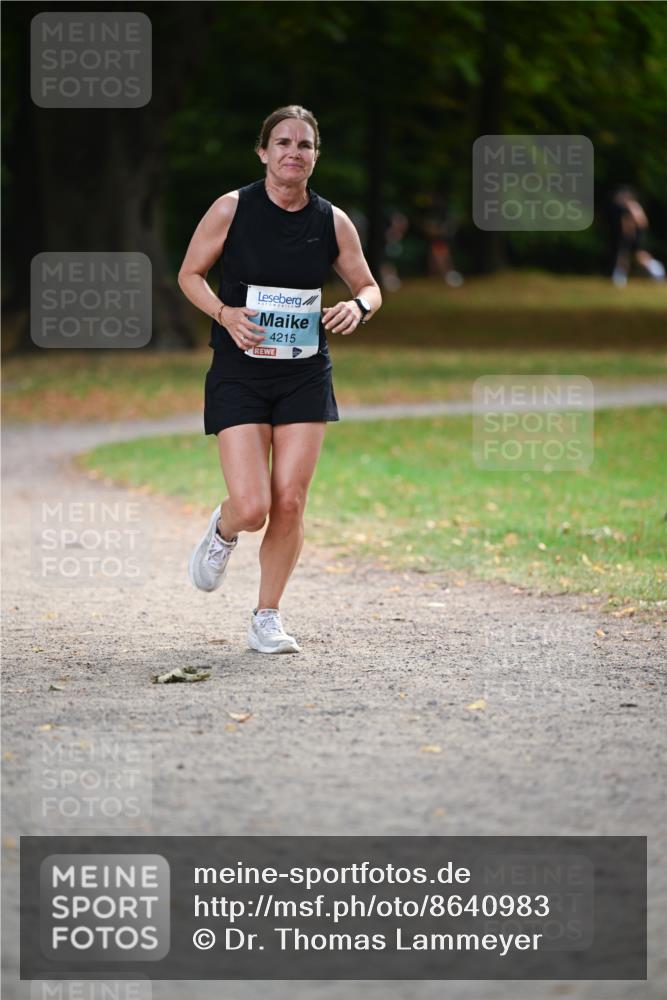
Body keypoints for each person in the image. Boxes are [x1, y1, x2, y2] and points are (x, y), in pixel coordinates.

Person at [177, 105, 382, 654]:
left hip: (303, 373)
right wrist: (224, 313)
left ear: (316, 156)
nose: (294, 152)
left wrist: (358, 308)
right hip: (240, 372)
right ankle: (223, 531)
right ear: (264, 151)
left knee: (289, 500)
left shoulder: (331, 220)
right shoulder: (232, 208)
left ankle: (266, 616)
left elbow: (369, 285)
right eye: (284, 142)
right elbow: (189, 274)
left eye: (305, 144)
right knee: (253, 505)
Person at [608, 186, 666, 287]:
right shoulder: (628, 207)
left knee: (638, 256)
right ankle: (620, 279)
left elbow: (641, 222)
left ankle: (657, 272)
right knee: (624, 256)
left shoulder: (631, 206)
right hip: (631, 235)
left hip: (634, 235)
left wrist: (631, 232)